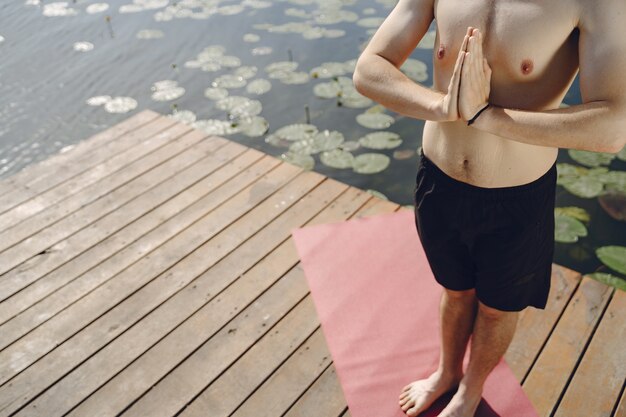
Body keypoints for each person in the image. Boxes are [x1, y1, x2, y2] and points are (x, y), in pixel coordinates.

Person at [352, 0, 626, 415]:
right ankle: (446, 373)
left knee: (498, 311)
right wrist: (442, 107)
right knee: (456, 292)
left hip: (517, 198)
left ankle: (471, 390)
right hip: (438, 181)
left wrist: (487, 117)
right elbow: (369, 69)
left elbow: (612, 125)